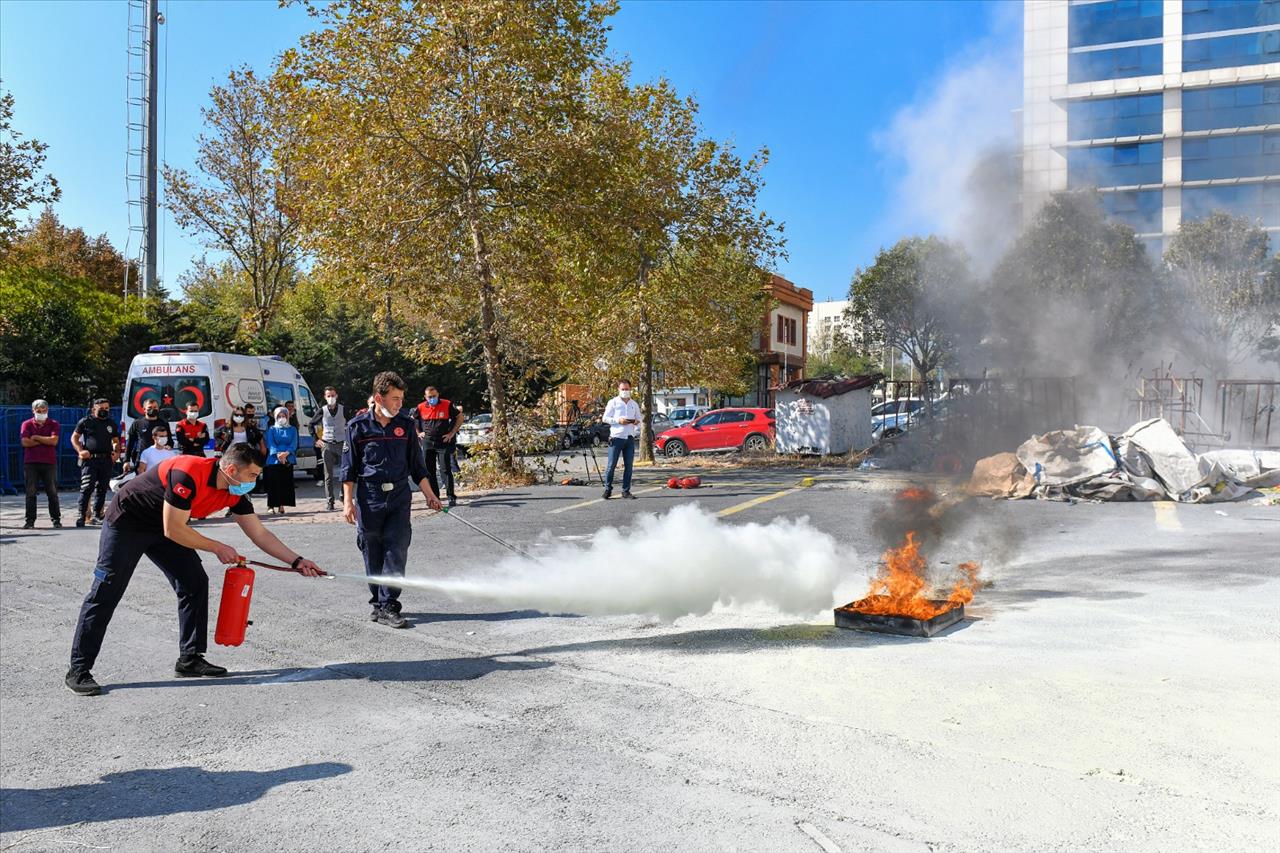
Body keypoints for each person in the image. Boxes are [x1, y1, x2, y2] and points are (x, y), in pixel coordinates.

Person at [65, 444, 325, 696]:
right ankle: (79, 670)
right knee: (106, 592)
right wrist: (217, 547)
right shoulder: (188, 473)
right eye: (253, 475)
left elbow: (259, 533)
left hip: (166, 525)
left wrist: (296, 561)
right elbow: (174, 529)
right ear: (232, 470)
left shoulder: (234, 491)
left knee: (194, 583)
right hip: (128, 522)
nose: (255, 481)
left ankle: (190, 658)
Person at [341, 371, 442, 629]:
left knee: (396, 549)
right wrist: (347, 502)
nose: (399, 404)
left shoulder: (406, 426)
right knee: (371, 549)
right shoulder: (357, 427)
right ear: (379, 398)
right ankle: (378, 603)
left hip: (398, 496)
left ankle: (389, 604)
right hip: (369, 497)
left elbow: (418, 468)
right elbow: (349, 469)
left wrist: (431, 496)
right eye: (395, 398)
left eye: (401, 399)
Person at [71, 398, 120, 527]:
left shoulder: (111, 424)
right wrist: (80, 451)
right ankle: (82, 515)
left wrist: (117, 452)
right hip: (90, 460)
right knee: (87, 487)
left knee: (102, 488)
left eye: (107, 409)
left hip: (106, 460)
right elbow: (74, 437)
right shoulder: (86, 422)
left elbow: (115, 440)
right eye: (101, 408)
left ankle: (98, 514)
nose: (104, 411)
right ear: (94, 409)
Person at [414, 385, 464, 508]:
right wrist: (418, 433)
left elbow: (459, 417)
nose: (432, 398)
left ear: (438, 395)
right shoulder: (420, 407)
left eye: (434, 396)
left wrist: (452, 433)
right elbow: (413, 420)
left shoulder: (446, 404)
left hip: (443, 441)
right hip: (428, 442)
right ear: (425, 397)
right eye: (429, 397)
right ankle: (435, 496)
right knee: (429, 471)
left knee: (445, 469)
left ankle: (451, 496)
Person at [21, 399, 62, 529]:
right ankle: (30, 521)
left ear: (47, 410)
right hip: (31, 463)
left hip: (49, 462)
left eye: (44, 411)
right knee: (30, 492)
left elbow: (54, 441)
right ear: (33, 411)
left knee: (52, 492)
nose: (42, 413)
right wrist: (46, 440)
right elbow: (25, 442)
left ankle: (56, 520)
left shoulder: (54, 424)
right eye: (39, 411)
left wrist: (36, 437)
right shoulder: (26, 424)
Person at [309, 386, 348, 512]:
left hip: (342, 443)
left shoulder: (343, 409)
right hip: (327, 443)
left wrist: (349, 437)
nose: (331, 398)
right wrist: (316, 439)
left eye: (333, 395)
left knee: (345, 472)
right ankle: (330, 501)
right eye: (328, 396)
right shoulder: (322, 410)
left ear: (336, 396)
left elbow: (352, 423)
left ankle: (343, 495)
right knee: (328, 475)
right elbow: (311, 424)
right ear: (325, 397)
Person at [601, 380, 641, 500]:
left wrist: (636, 423)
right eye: (623, 389)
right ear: (618, 389)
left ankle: (626, 491)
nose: (625, 391)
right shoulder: (613, 402)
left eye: (627, 389)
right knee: (611, 465)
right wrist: (618, 420)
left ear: (630, 389)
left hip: (629, 438)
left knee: (629, 466)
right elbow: (605, 418)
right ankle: (608, 489)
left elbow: (639, 419)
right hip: (616, 437)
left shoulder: (634, 404)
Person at [264, 406, 297, 515]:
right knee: (273, 483)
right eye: (279, 416)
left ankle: (282, 505)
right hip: (274, 459)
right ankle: (271, 505)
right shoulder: (272, 429)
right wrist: (278, 454)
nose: (282, 418)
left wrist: (286, 454)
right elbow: (270, 443)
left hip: (288, 459)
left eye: (284, 416)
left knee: (284, 483)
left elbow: (294, 443)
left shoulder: (292, 429)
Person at [123, 398, 164, 471]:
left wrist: (169, 446)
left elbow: (169, 441)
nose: (153, 409)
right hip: (141, 458)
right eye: (150, 408)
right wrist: (126, 460)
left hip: (159, 458)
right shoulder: (137, 423)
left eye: (155, 407)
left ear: (158, 409)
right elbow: (130, 443)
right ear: (144, 409)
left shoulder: (163, 424)